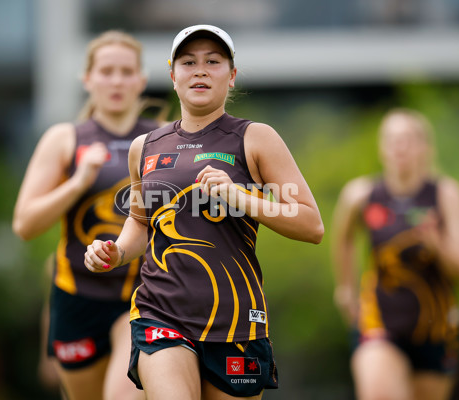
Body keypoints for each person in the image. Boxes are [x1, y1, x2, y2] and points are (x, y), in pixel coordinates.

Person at [84, 24, 324, 400]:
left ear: (230, 77)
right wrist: (114, 251)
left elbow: (311, 225)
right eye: (188, 62)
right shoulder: (144, 147)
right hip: (160, 312)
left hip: (235, 323)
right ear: (172, 76)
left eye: (213, 62)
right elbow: (139, 223)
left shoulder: (256, 138)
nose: (200, 70)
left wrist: (241, 197)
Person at [13, 30, 167, 400]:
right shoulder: (64, 139)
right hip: (77, 296)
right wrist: (79, 180)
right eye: (107, 71)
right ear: (88, 79)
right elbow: (25, 225)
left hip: (142, 295)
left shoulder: (164, 139)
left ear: (141, 80)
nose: (116, 81)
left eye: (127, 71)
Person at [331, 108, 459, 400]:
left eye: (408, 139)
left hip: (435, 328)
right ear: (381, 147)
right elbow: (343, 238)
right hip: (378, 323)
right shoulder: (360, 194)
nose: (400, 147)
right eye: (392, 139)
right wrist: (345, 288)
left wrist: (436, 243)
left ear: (425, 147)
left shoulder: (445, 194)